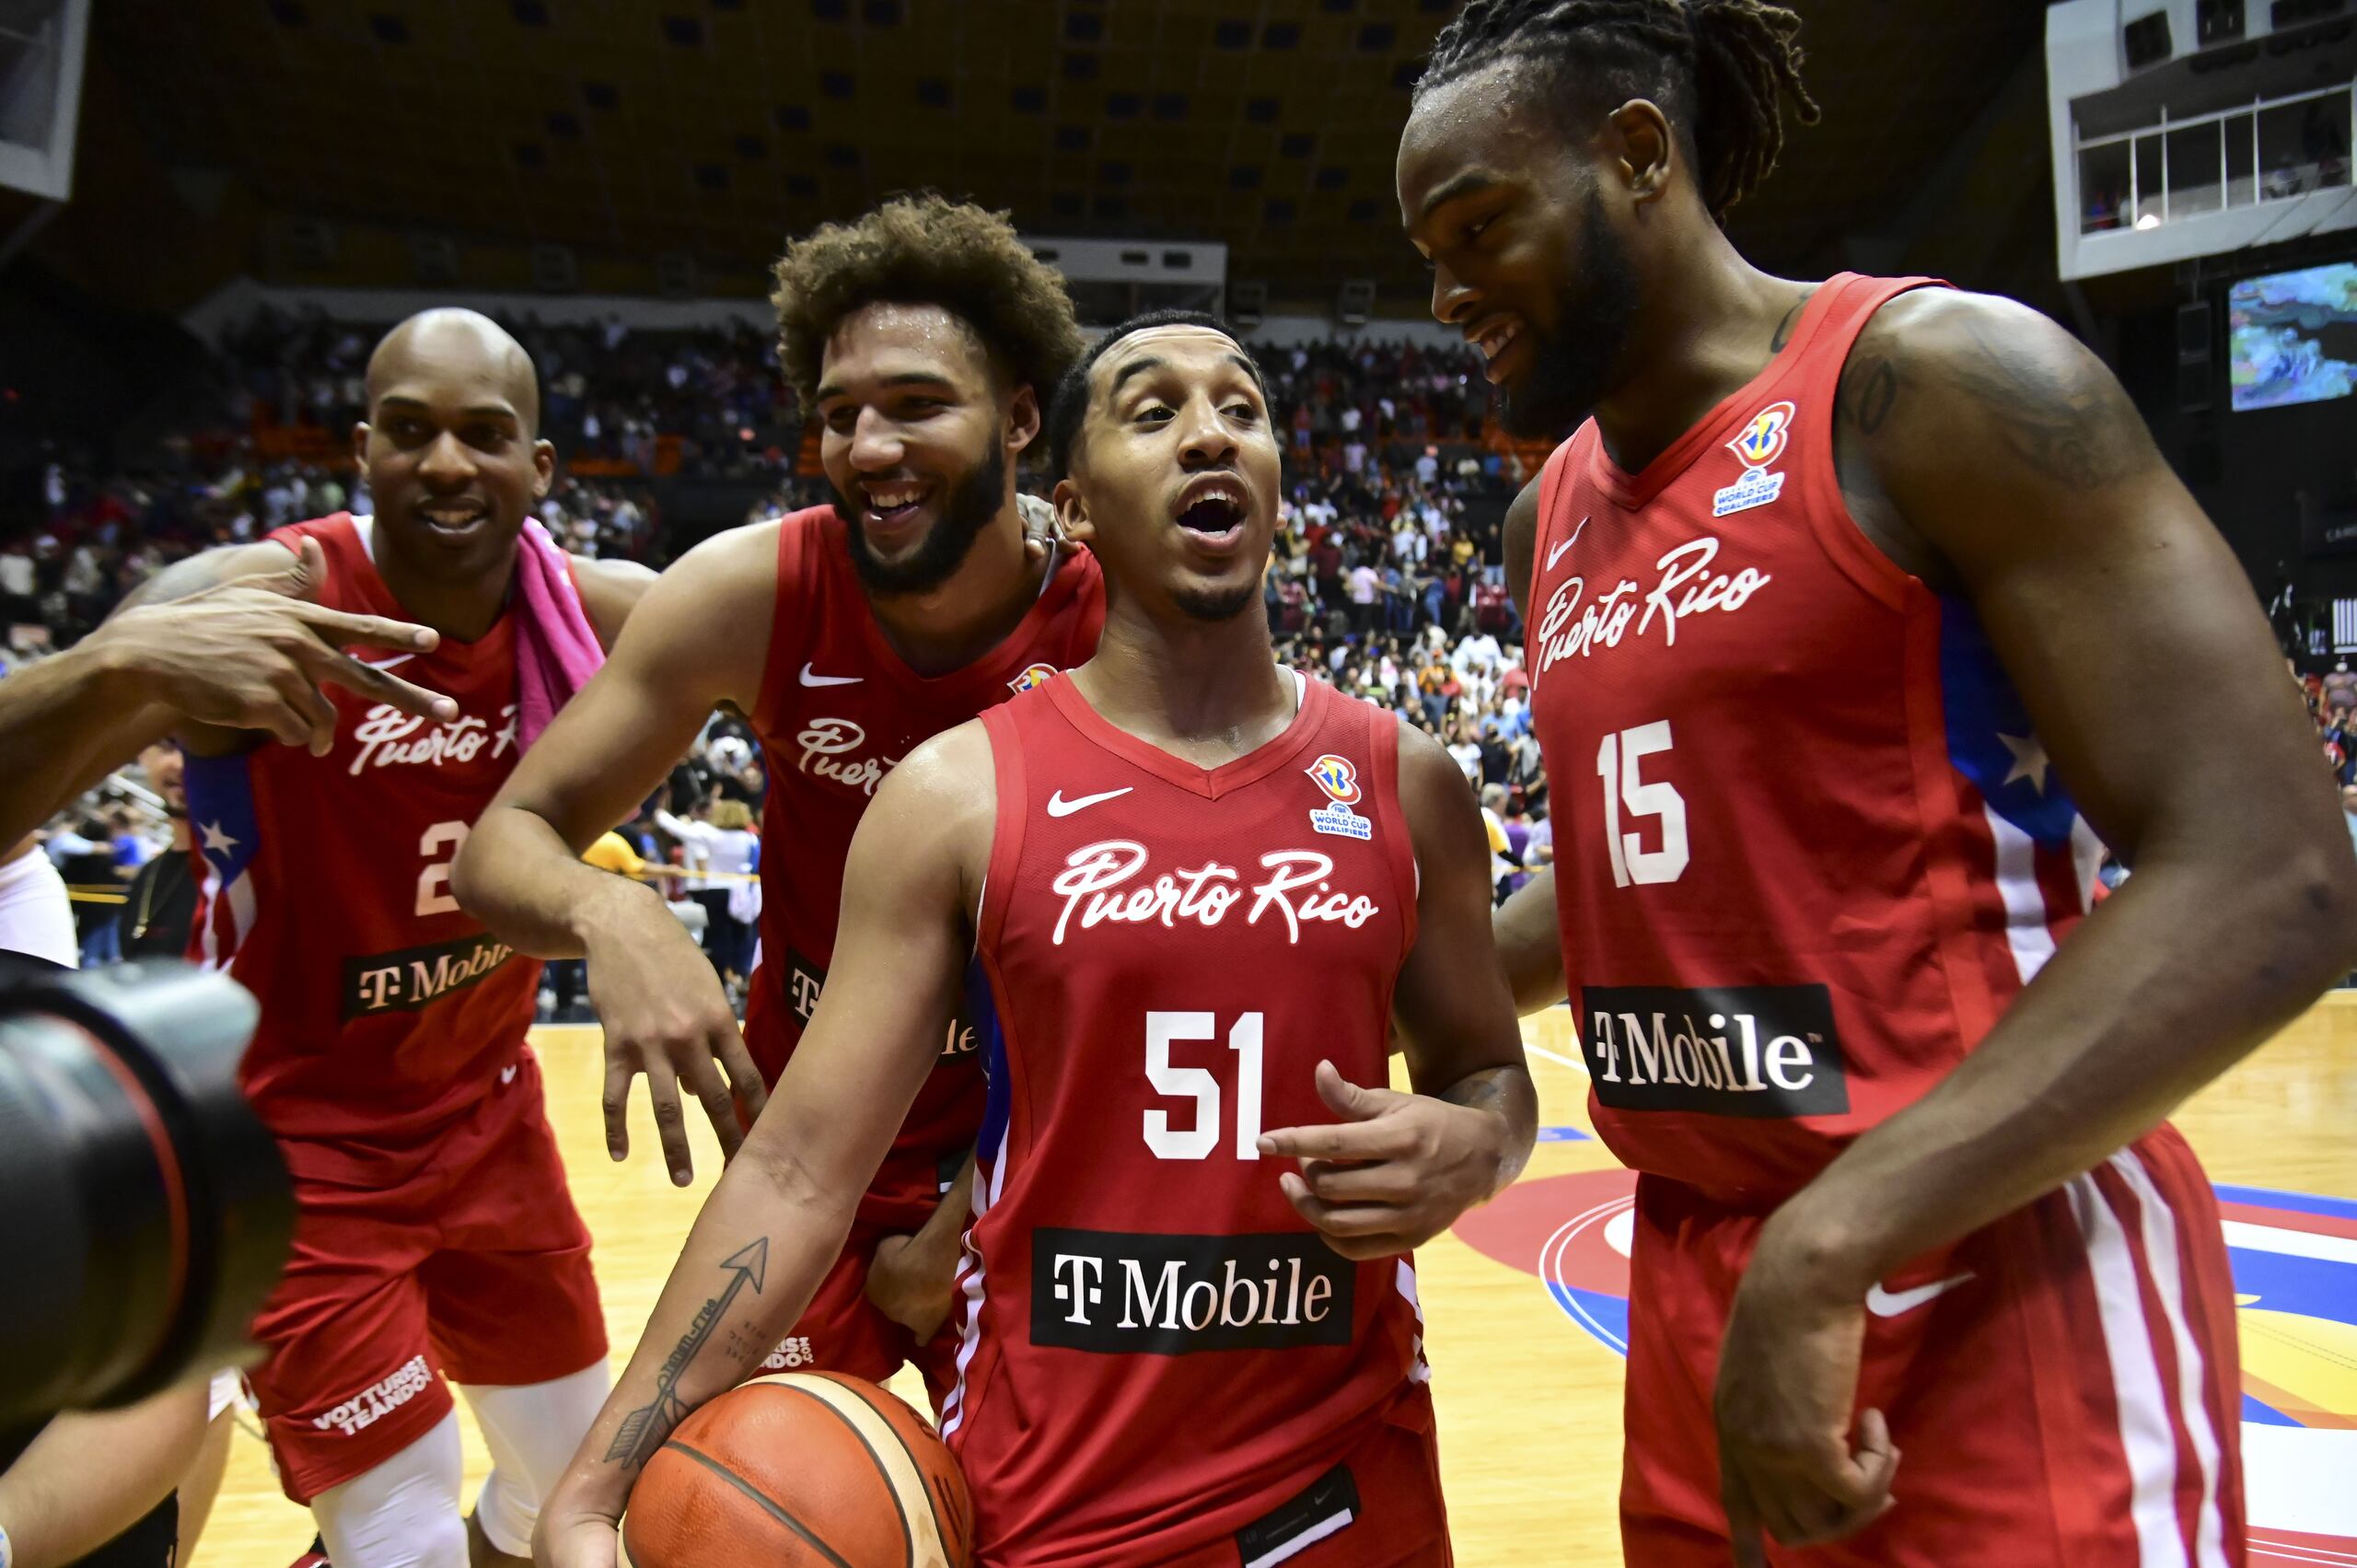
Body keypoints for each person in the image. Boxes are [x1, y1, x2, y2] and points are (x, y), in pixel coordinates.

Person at [1399, 1, 2357, 1562]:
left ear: (1639, 155)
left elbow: (2275, 871)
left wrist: (1834, 1242)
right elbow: (1636, 884)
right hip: (1709, 1287)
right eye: (1427, 249)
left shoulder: (1938, 381)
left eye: (1480, 224)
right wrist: (1363, 995)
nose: (1445, 290)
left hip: (1989, 1267)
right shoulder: (1547, 521)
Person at [535, 309, 1535, 1568]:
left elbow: (1488, 1077)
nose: (1210, 432)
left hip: (1347, 1482)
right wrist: (589, 1488)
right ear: (1075, 505)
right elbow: (797, 1171)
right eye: (1155, 411)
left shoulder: (1410, 785)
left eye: (1242, 407)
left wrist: (1482, 1144)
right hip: (1060, 1498)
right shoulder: (960, 795)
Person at [452, 195, 1100, 1409]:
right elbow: (501, 846)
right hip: (806, 1156)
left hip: (1032, 1165)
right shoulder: (751, 593)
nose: (865, 447)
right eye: (839, 415)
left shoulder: (1122, 623)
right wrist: (614, 913)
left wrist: (962, 1221)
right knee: (740, 1524)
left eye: (915, 405)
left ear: (1021, 419)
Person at [145, 308, 651, 1568]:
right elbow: (155, 620)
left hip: (486, 1116)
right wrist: (167, 634)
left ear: (540, 470)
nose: (444, 464)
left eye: (483, 436)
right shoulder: (288, 596)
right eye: (411, 432)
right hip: (292, 1136)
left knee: (573, 1495)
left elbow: (785, 615)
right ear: (361, 450)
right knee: (402, 1528)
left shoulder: (597, 618)